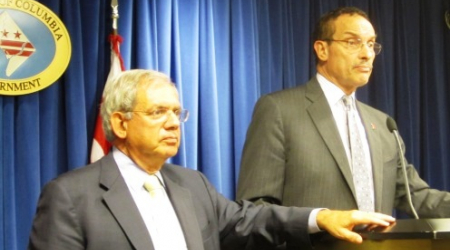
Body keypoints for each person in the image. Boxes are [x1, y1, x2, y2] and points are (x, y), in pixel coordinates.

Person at [28, 69, 394, 250]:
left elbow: (250, 220)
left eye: (176, 112)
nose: (173, 122)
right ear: (121, 123)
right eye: (158, 112)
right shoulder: (71, 196)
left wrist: (324, 216)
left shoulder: (192, 184)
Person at [237, 6, 450, 220]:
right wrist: (317, 221)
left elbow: (417, 196)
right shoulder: (279, 111)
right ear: (322, 50)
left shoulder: (383, 124)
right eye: (353, 42)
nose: (367, 54)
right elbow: (255, 209)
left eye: (370, 44)